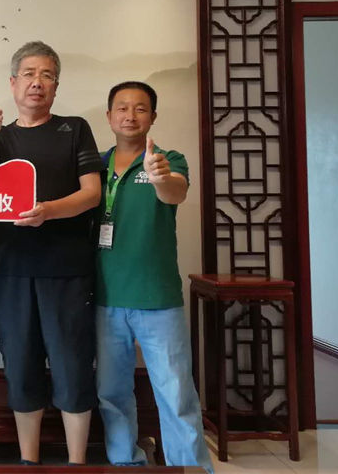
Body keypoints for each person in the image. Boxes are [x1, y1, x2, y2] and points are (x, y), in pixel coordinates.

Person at [0, 41, 103, 465]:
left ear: (56, 86)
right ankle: (29, 461)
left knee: (72, 364)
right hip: (13, 270)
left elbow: (92, 194)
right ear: (13, 83)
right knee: (21, 365)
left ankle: (76, 462)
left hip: (68, 270)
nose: (37, 83)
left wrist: (48, 211)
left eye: (47, 75)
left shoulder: (75, 129)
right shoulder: (1, 137)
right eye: (28, 74)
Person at [95, 81, 213, 473]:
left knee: (176, 393)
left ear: (153, 117)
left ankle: (189, 467)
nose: (130, 115)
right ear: (109, 115)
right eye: (122, 108)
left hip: (157, 299)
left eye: (140, 108)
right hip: (106, 297)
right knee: (112, 393)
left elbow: (174, 193)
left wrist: (159, 176)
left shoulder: (168, 159)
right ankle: (125, 461)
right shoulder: (95, 165)